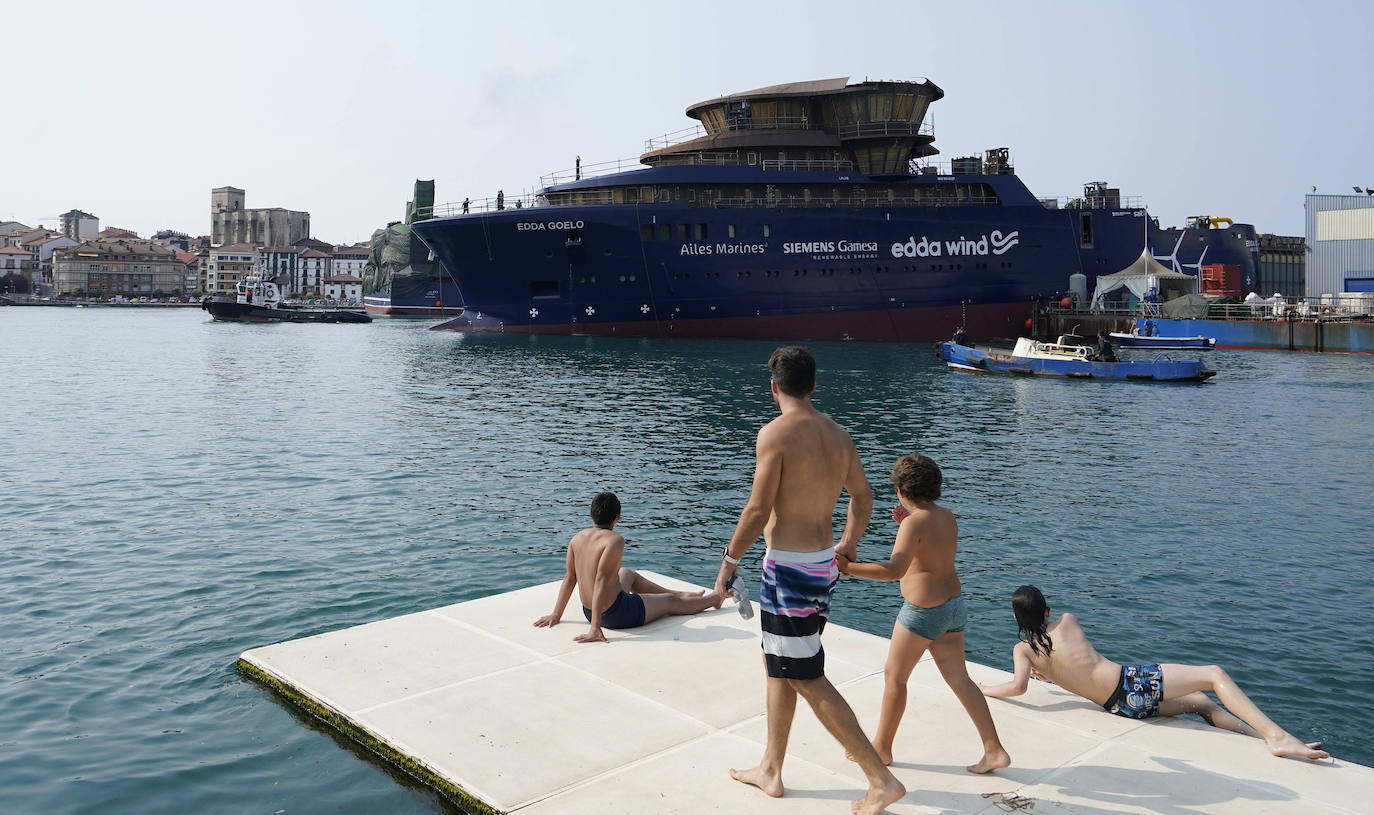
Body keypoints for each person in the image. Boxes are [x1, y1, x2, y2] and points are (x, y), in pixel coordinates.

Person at [714, 346, 905, 815]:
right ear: (814, 385)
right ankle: (771, 769)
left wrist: (728, 560)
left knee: (806, 675)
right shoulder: (839, 436)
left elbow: (758, 509)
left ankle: (880, 780)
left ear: (774, 387)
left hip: (789, 571)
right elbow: (863, 496)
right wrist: (849, 545)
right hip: (821, 564)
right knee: (780, 664)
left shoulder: (774, 434)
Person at [979, 586, 1329, 760]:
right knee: (1213, 673)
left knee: (1201, 703)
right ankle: (1276, 737)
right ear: (1047, 610)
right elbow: (1079, 660)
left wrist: (984, 689)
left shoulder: (1023, 650)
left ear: (1016, 620)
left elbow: (1018, 687)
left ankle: (1263, 742)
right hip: (1131, 681)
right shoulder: (1067, 620)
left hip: (1121, 705)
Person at [837, 454, 1011, 773]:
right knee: (960, 679)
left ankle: (882, 748)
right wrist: (908, 523)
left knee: (895, 677)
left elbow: (895, 570)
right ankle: (994, 749)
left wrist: (848, 568)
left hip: (923, 612)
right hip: (954, 606)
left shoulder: (914, 522)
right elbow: (929, 550)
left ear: (901, 490)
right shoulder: (946, 516)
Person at [534, 492, 723, 642]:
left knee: (627, 573)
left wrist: (557, 614)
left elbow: (570, 578)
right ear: (618, 517)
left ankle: (680, 593)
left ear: (591, 515)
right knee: (669, 602)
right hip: (615, 614)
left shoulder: (576, 538)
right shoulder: (614, 541)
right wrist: (595, 627)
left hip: (589, 610)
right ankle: (714, 599)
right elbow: (600, 580)